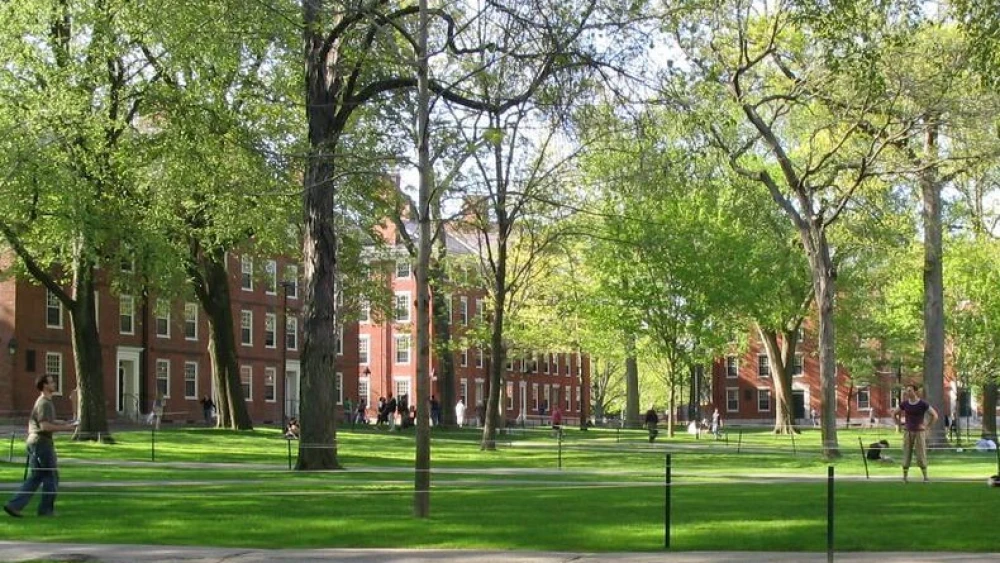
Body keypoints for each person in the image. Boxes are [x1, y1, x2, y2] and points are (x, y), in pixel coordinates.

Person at [4, 374, 78, 517]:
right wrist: (67, 429)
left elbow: (48, 420)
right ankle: (46, 510)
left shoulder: (45, 402)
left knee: (36, 477)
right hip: (41, 443)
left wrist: (65, 422)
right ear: (45, 385)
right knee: (51, 476)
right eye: (51, 382)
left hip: (35, 442)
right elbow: (44, 426)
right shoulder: (44, 403)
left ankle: (14, 506)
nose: (54, 384)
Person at [893, 384, 939, 483]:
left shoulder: (922, 404)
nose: (907, 393)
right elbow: (894, 413)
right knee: (906, 452)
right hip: (908, 432)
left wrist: (927, 427)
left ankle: (925, 477)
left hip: (919, 432)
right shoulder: (905, 404)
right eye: (907, 391)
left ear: (915, 392)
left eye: (910, 390)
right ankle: (904, 478)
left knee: (921, 454)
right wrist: (900, 425)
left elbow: (935, 415)